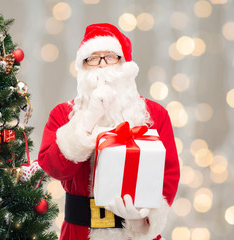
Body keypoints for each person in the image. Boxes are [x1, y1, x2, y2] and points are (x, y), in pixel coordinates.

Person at [38, 23, 180, 240]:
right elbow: (55, 168)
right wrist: (88, 118)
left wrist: (142, 220)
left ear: (124, 64)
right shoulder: (63, 114)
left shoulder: (154, 114)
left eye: (111, 57)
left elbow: (169, 174)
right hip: (79, 233)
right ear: (83, 66)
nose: (103, 65)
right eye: (93, 58)